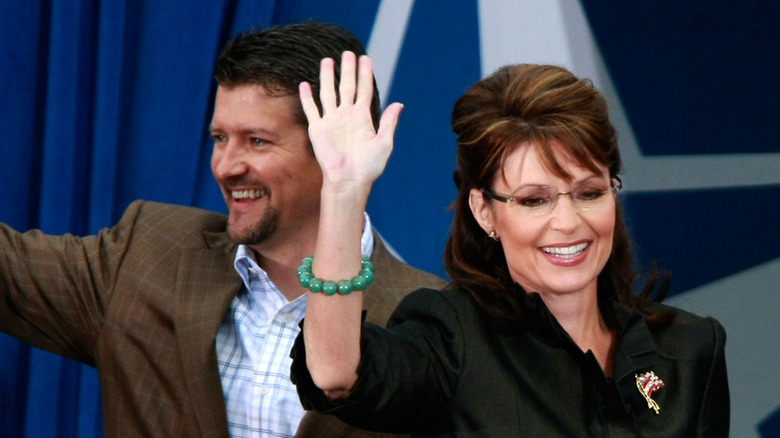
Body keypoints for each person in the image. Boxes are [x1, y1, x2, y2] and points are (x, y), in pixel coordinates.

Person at [0, 22, 445, 437]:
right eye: (219, 138)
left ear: (336, 146)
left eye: (257, 141)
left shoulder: (433, 316)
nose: (226, 166)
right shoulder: (146, 254)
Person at [291, 62, 730, 436]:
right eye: (533, 200)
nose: (568, 222)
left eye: (589, 192)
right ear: (484, 211)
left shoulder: (691, 348)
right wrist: (344, 194)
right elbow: (334, 375)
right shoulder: (450, 338)